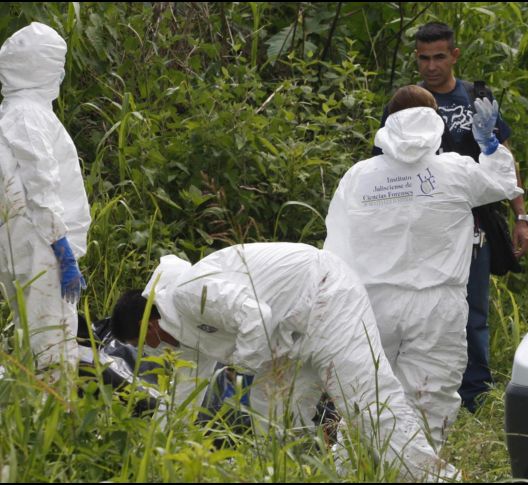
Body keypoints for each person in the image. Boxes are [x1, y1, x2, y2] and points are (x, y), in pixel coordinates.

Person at [109, 242, 456, 481]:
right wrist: (154, 449)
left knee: (367, 404)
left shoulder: (189, 292)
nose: (149, 353)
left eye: (143, 344)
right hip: (286, 337)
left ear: (149, 326)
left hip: (325, 297)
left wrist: (241, 372)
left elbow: (255, 315)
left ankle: (435, 478)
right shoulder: (182, 338)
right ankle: (306, 474)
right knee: (271, 418)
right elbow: (182, 399)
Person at [324, 84, 521, 447]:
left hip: (372, 303)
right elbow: (502, 185)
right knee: (430, 402)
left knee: (368, 399)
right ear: (436, 121)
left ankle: (357, 470)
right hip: (437, 306)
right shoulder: (456, 171)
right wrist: (490, 147)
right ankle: (419, 469)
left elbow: (335, 248)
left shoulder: (358, 177)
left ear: (389, 124)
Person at [374, 22, 528, 412]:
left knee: (473, 310)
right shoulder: (406, 103)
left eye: (439, 56)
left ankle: (475, 394)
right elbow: (383, 166)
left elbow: (504, 160)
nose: (431, 66)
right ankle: (420, 391)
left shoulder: (476, 99)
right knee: (422, 308)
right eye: (424, 58)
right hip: (421, 228)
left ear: (454, 55)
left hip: (473, 224)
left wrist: (521, 215)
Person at [0, 22, 90, 373]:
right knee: (52, 340)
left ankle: (31, 418)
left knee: (34, 338)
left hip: (28, 243)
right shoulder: (28, 115)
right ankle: (57, 418)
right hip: (42, 246)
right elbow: (42, 181)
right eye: (57, 63)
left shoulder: (14, 112)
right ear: (41, 66)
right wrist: (60, 245)